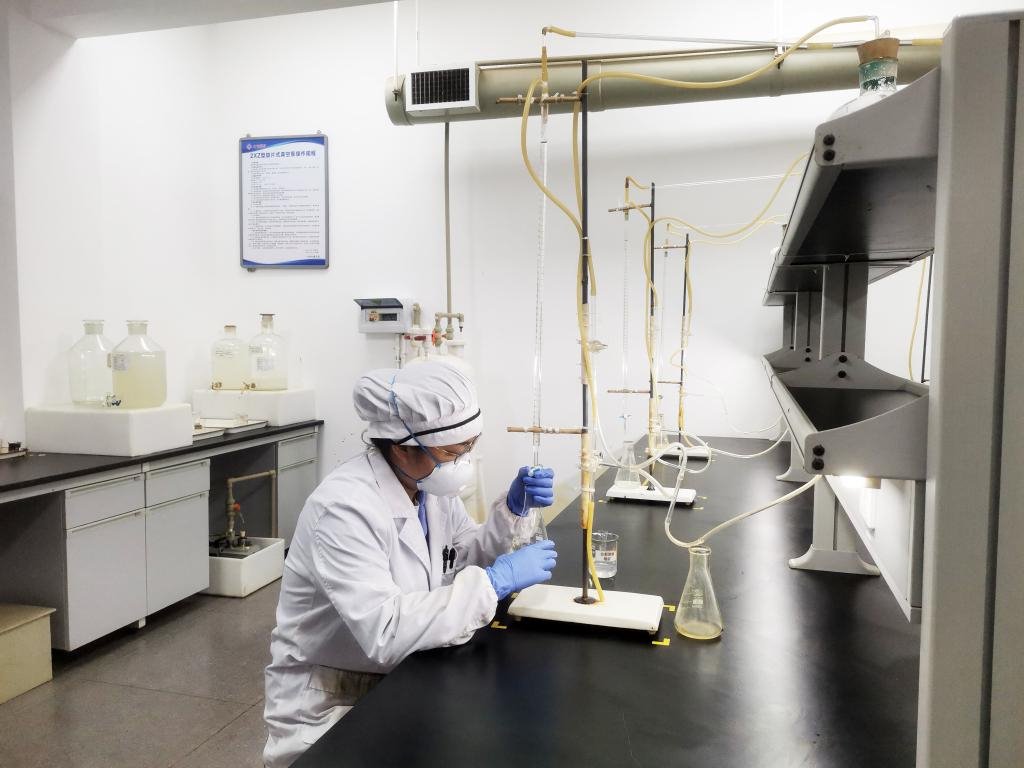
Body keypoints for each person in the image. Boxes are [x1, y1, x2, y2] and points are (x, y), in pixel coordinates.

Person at [264, 362, 558, 767]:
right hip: (332, 700)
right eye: (452, 453)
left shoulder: (428, 487)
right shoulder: (344, 509)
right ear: (402, 447)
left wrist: (511, 511)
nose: (462, 463)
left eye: (469, 447)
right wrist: (493, 582)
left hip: (404, 674)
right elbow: (385, 630)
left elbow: (460, 555)